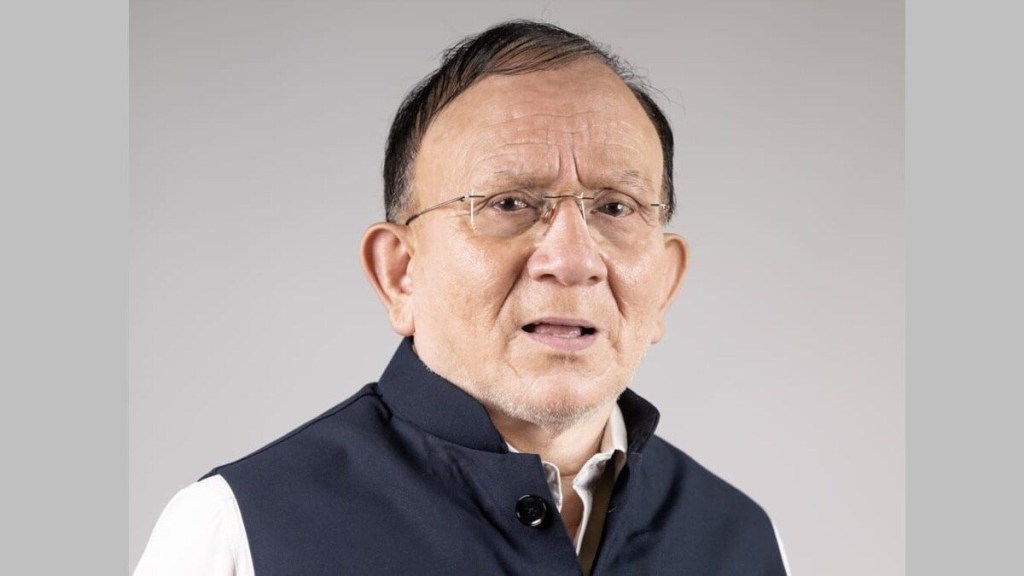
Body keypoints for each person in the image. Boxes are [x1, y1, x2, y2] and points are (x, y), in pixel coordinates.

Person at [134, 20, 791, 575]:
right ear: (401, 273)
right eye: (509, 203)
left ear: (666, 283)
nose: (573, 260)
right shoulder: (238, 531)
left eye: (615, 207)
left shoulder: (741, 542)